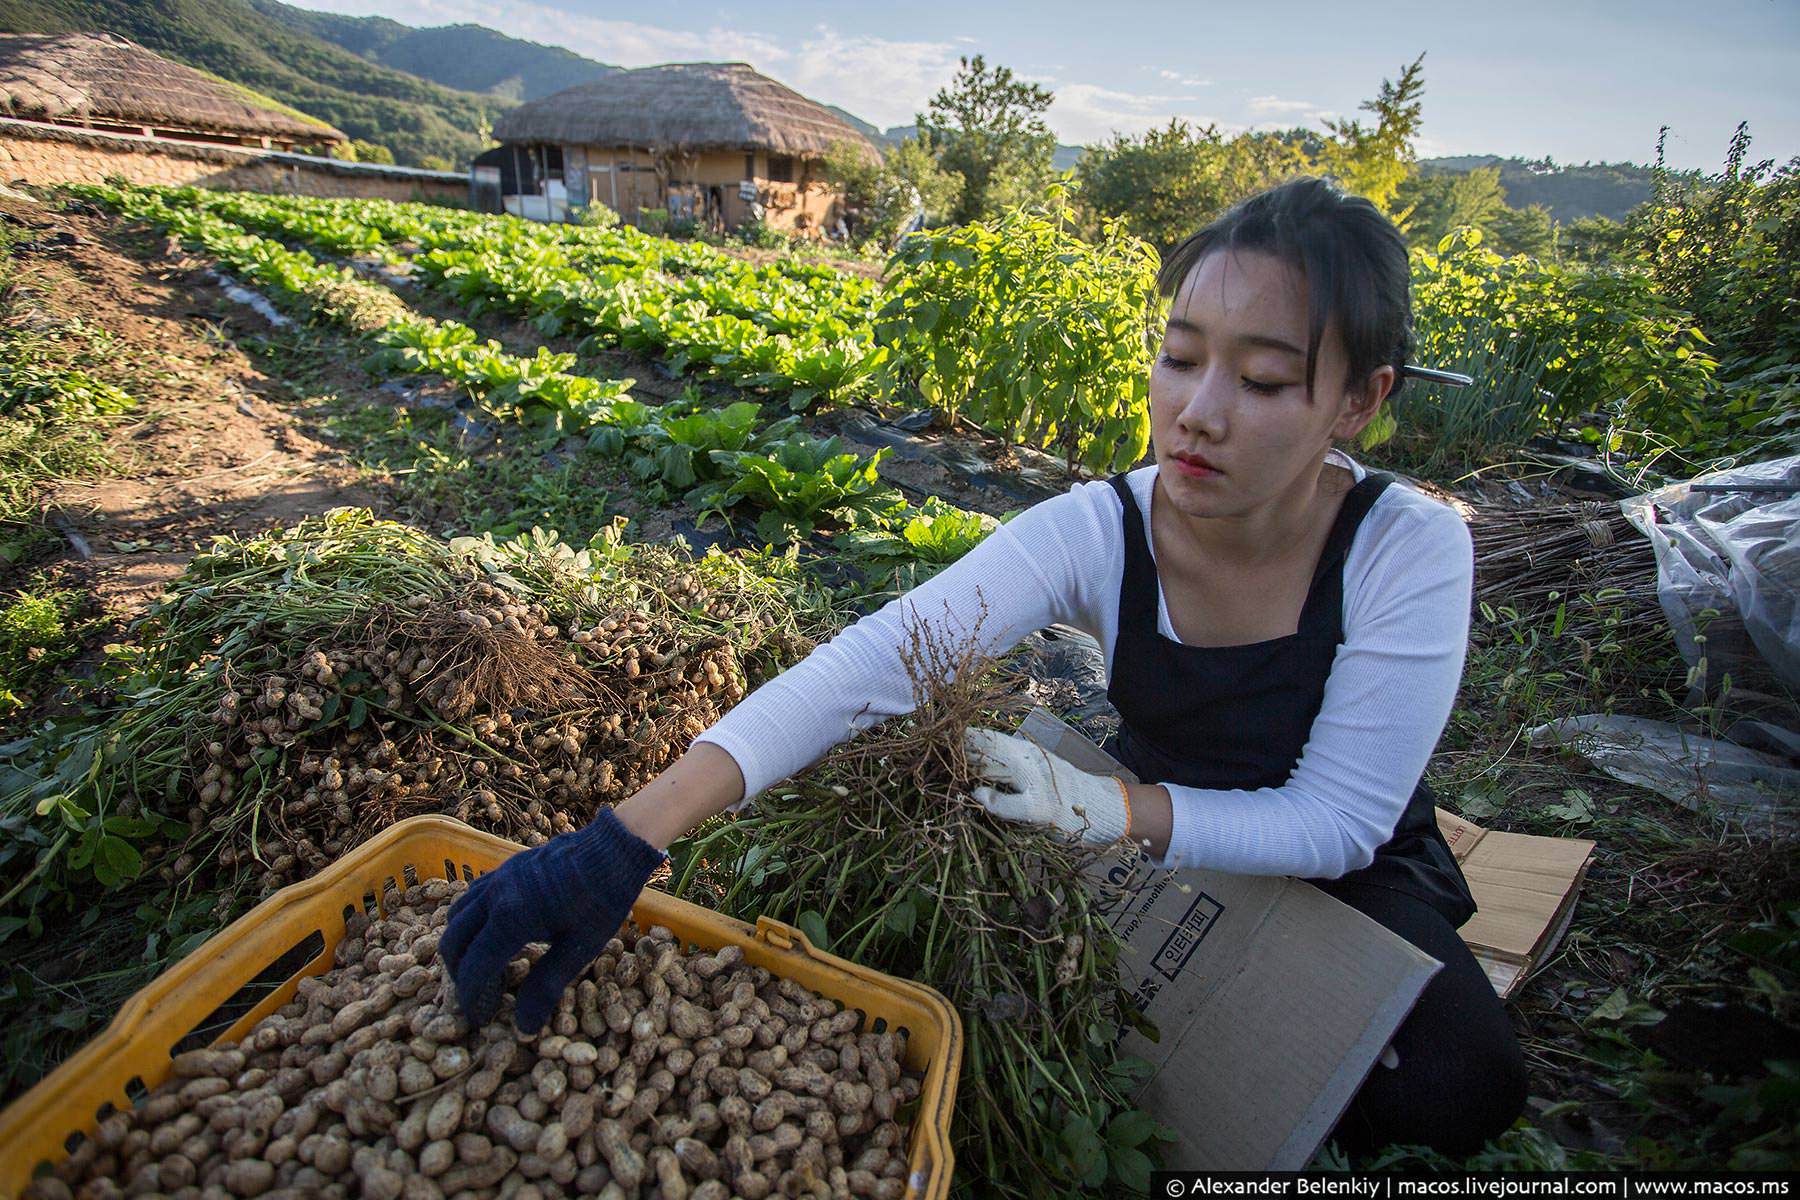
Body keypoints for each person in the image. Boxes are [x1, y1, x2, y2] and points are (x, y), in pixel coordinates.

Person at [438, 176, 1530, 1160]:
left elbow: (1337, 816)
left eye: (1264, 379)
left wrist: (1111, 808)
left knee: (1459, 1082)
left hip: (1318, 855)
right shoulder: (1102, 529)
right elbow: (877, 658)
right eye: (1183, 357)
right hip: (1147, 827)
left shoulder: (1407, 546)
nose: (1197, 412)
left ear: (1357, 401)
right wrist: (628, 834)